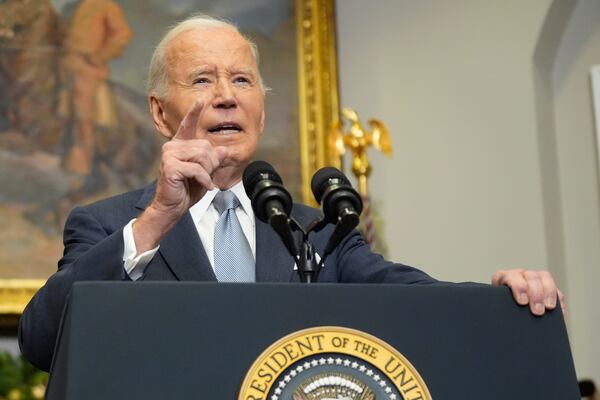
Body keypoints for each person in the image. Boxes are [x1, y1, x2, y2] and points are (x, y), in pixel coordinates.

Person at [18, 14, 566, 372]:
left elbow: (413, 299)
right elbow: (44, 341)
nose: (227, 98)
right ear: (161, 112)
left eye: (242, 80)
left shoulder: (317, 230)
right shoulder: (109, 225)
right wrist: (160, 217)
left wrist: (500, 298)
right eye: (204, 80)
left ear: (260, 105)